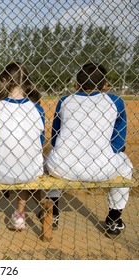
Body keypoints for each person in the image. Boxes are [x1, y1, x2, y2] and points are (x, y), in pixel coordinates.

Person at [45, 63, 133, 237]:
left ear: (77, 84)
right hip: (102, 169)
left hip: (63, 167)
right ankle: (114, 219)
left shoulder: (65, 101)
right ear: (105, 85)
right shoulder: (115, 101)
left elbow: (55, 138)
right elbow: (119, 142)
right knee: (126, 165)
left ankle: (53, 213)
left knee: (48, 160)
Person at [0, 62, 45, 231]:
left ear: (4, 80)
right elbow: (39, 144)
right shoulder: (37, 109)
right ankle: (20, 214)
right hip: (29, 172)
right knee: (26, 161)